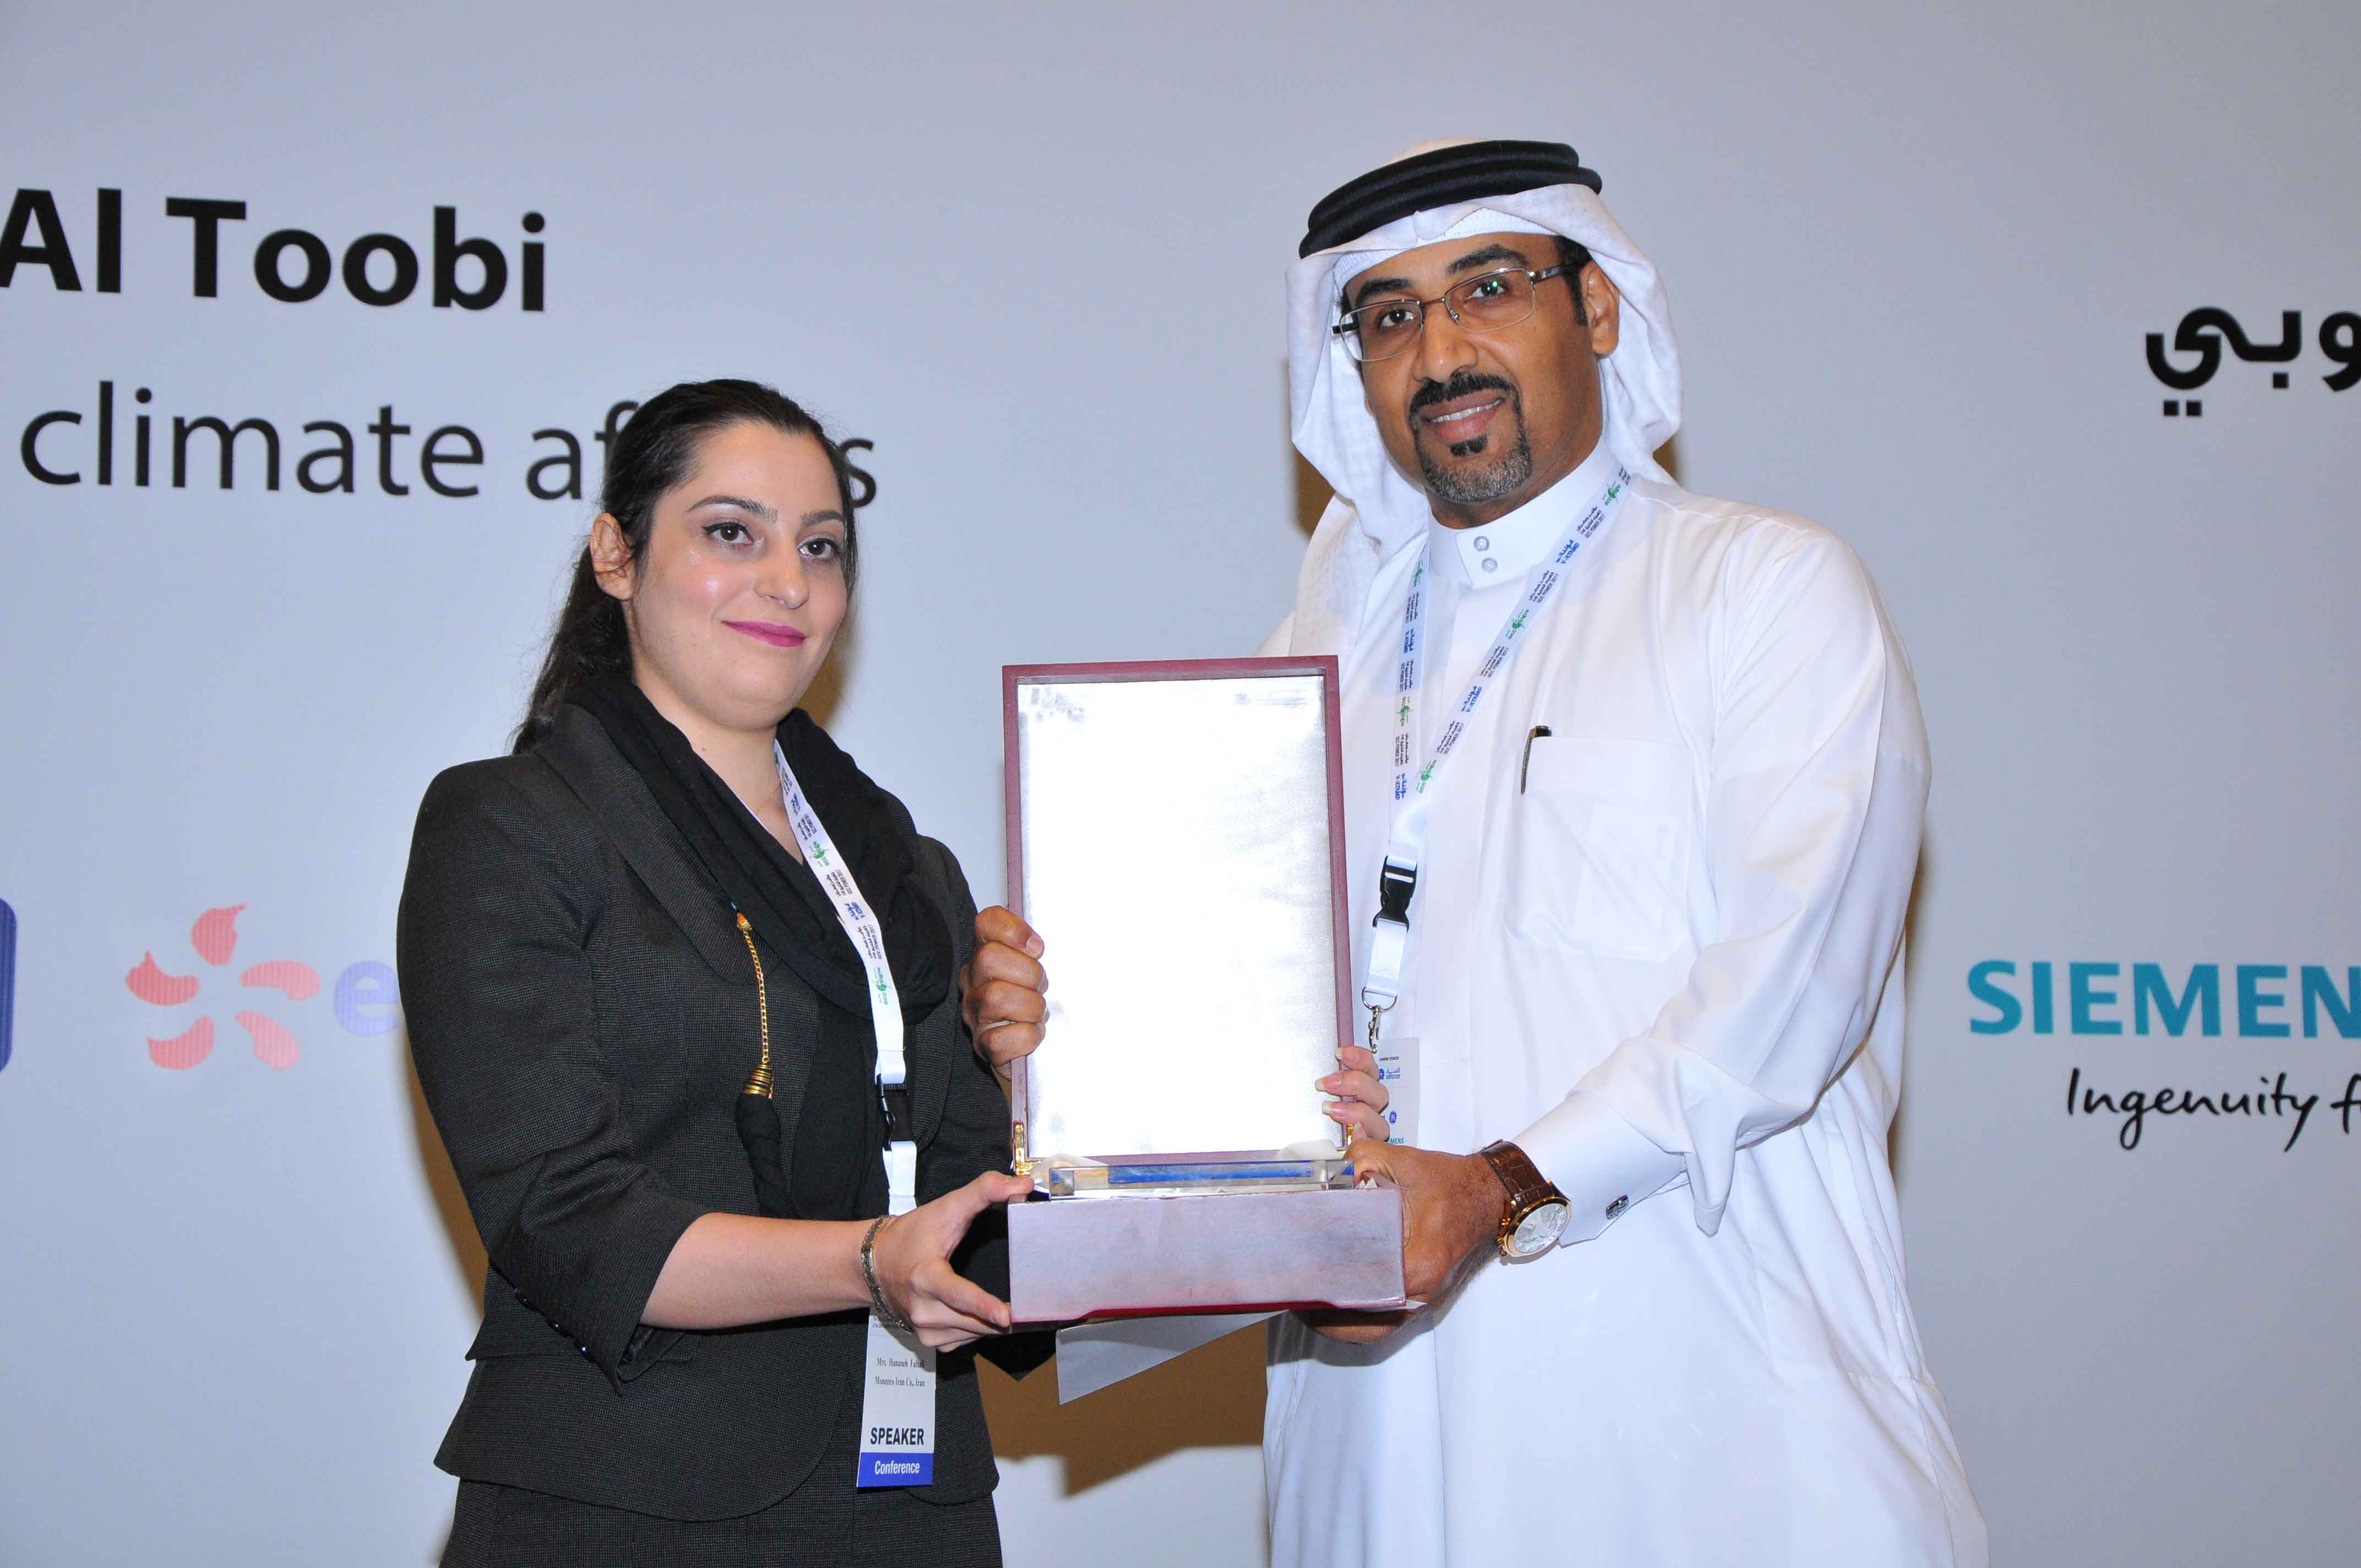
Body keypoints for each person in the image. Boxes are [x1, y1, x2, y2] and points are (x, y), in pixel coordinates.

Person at [965, 140, 1987, 1564]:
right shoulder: (1311, 662)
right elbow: (1230, 1033)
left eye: (1488, 289)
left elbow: (1784, 998)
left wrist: (1496, 1183)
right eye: (1389, 315)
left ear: (1598, 306)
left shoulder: (1758, 590)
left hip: (1707, 1412)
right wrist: (1058, 1029)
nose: (1441, 351)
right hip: (1372, 1428)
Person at [399, 378, 1041, 1566]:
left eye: (821, 546)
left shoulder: (911, 872)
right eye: (732, 533)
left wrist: (1046, 1089)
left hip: (914, 1505)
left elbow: (978, 1222)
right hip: (625, 1500)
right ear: (616, 555)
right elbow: (566, 1218)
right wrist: (868, 1261)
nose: (788, 581)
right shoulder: (511, 826)